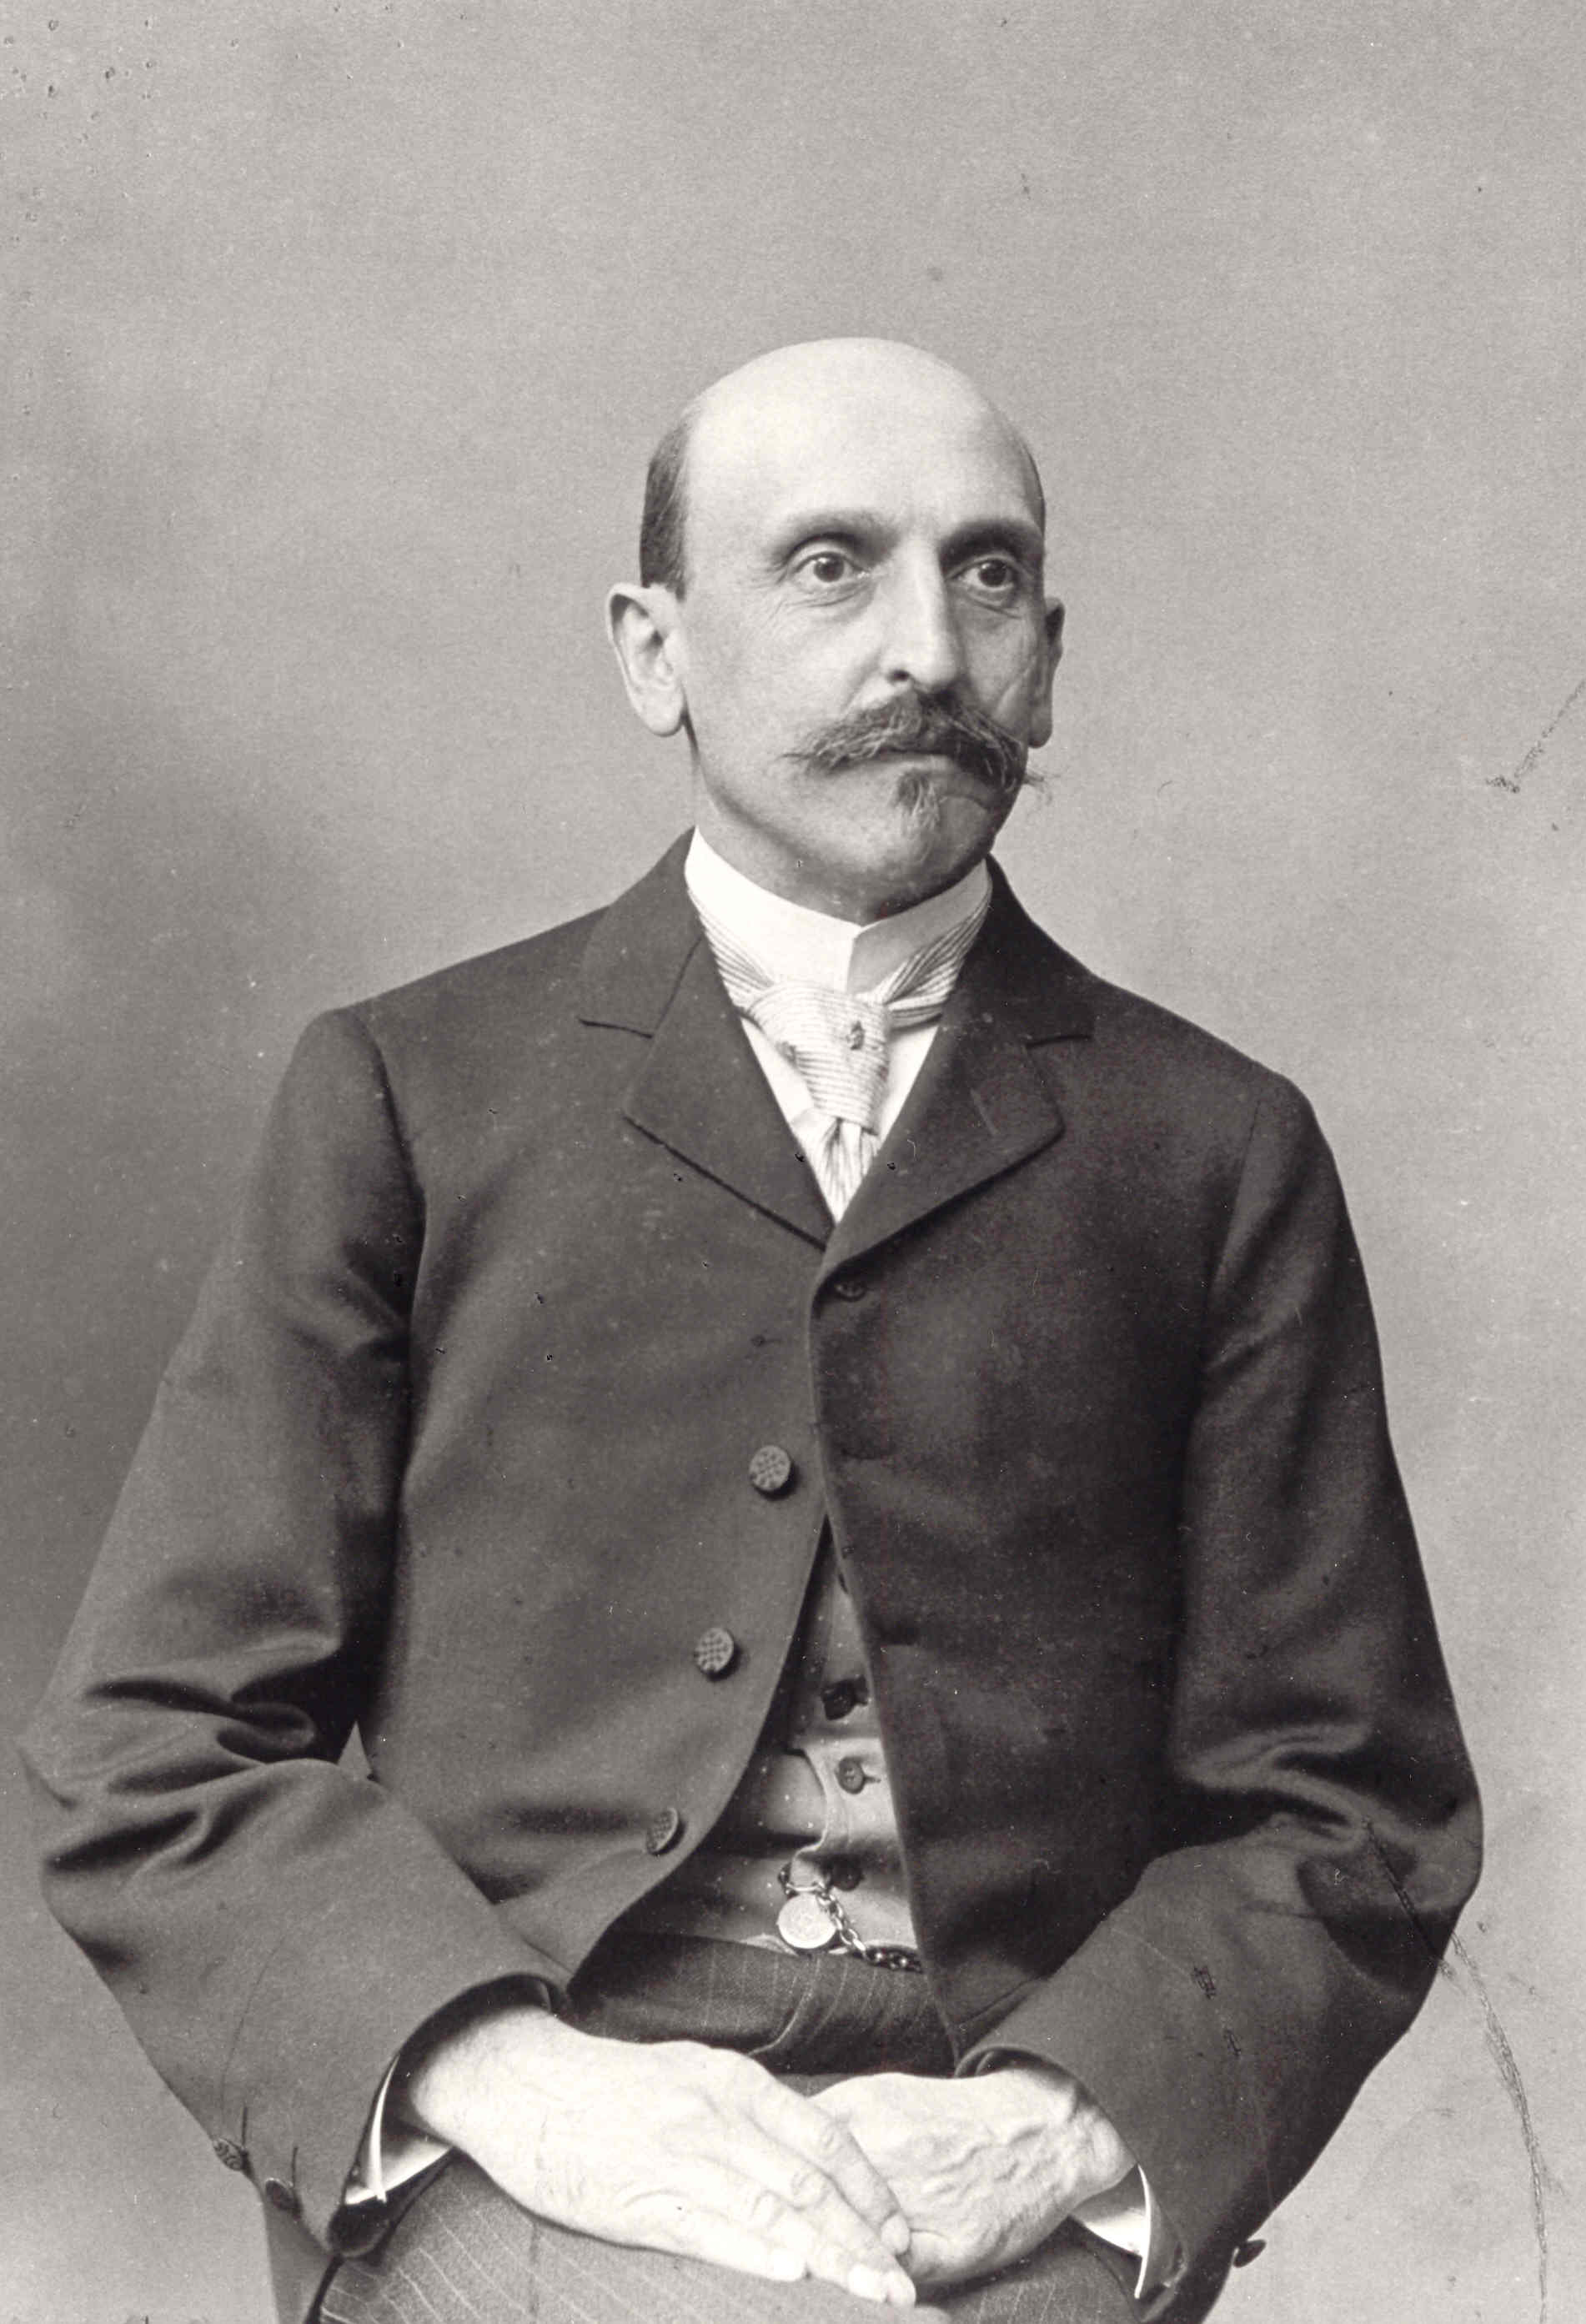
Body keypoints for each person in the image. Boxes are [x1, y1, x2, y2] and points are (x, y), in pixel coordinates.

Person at [23, 339, 1480, 2324]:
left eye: (985, 574)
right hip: (530, 2127)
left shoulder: (1213, 1150)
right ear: (654, 652)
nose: (925, 647)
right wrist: (512, 2080)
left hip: (992, 2150)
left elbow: (1346, 1805)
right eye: (827, 564)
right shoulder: (412, 1095)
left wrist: (1053, 2126)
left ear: (1048, 661)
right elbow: (156, 1742)